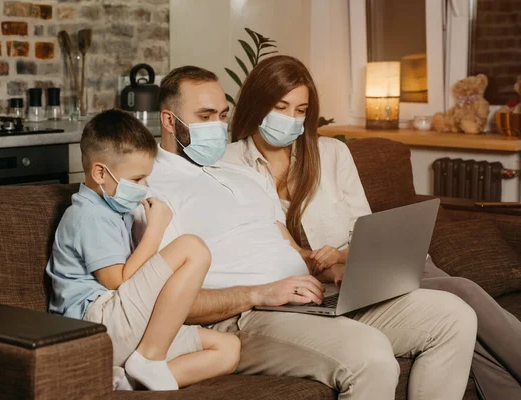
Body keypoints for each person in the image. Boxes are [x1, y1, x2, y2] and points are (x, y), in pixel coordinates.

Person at [135, 65, 478, 400]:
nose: (218, 127)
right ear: (168, 120)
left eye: (223, 116)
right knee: (371, 356)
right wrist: (260, 293)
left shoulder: (242, 174)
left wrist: (331, 267)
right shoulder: (151, 190)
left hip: (309, 298)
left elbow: (287, 244)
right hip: (243, 316)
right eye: (205, 116)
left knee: (454, 316)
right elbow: (169, 302)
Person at [224, 54, 521, 399]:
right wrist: (321, 263)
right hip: (332, 285)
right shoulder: (232, 165)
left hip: (368, 266)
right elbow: (264, 244)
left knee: (461, 296)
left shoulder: (332, 153)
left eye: (301, 110)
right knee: (461, 301)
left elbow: (362, 229)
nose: (292, 119)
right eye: (281, 107)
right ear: (257, 104)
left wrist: (340, 255)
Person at [46, 109, 240, 391]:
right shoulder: (87, 216)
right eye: (137, 180)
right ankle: (149, 358)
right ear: (100, 172)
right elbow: (118, 281)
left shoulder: (113, 208)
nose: (144, 188)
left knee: (228, 348)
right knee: (192, 248)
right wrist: (156, 229)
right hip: (95, 327)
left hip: (124, 327)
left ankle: (129, 379)